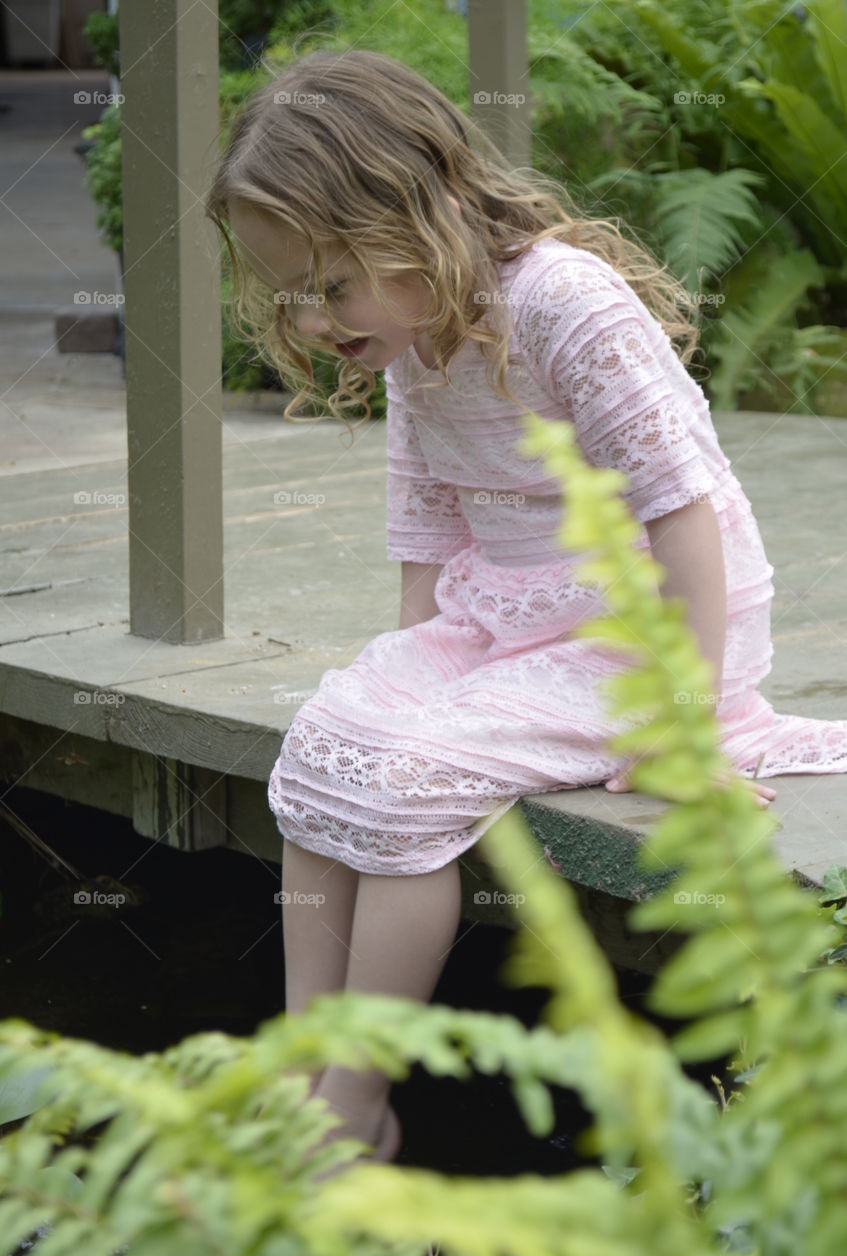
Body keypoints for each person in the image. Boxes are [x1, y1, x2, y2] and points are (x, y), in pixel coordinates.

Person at [205, 47, 847, 1174]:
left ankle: (353, 1111)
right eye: (290, 294)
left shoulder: (561, 301)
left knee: (405, 780)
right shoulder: (417, 324)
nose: (312, 323)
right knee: (322, 742)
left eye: (330, 283)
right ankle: (304, 1063)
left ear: (420, 214)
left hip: (639, 631)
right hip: (506, 612)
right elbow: (425, 514)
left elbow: (683, 512)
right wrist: (408, 665)